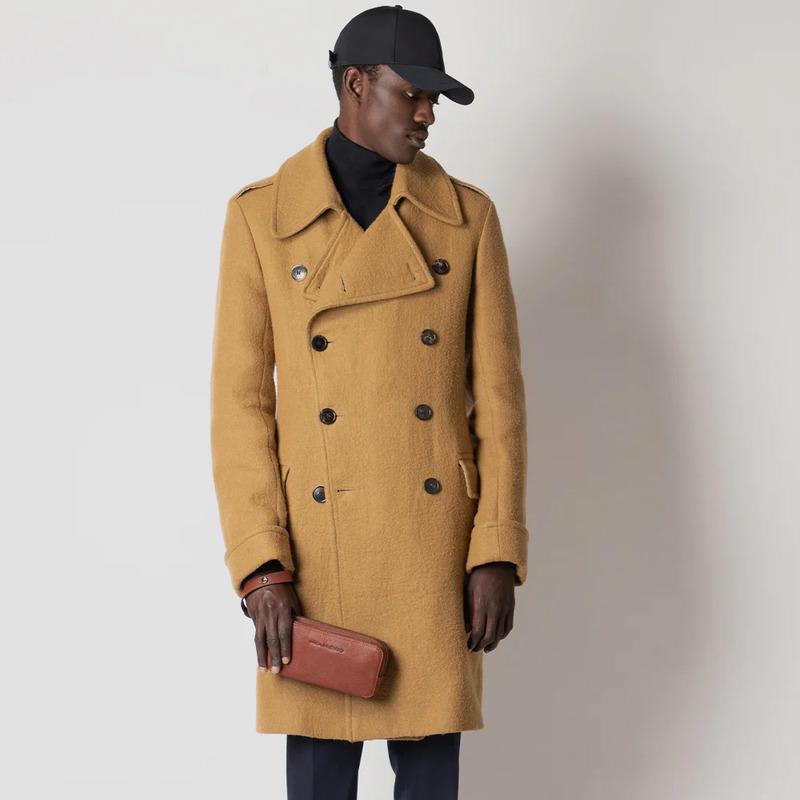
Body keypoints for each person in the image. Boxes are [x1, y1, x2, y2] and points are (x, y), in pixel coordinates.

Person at [210, 6, 529, 798]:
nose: (427, 116)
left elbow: (500, 404)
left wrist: (496, 547)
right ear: (356, 84)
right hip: (314, 559)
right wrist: (260, 566)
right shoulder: (260, 218)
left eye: (433, 100)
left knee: (429, 781)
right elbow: (239, 408)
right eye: (410, 94)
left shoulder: (467, 220)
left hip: (433, 555)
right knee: (320, 781)